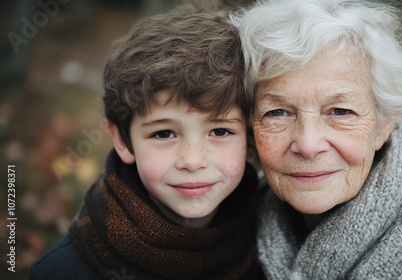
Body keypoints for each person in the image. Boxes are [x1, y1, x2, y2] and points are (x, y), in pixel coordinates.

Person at [231, 0, 402, 278]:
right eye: (277, 113)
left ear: (384, 124)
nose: (308, 145)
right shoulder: (235, 228)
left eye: (340, 111)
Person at [30, 3, 265, 279]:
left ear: (250, 136)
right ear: (122, 140)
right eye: (163, 133)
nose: (192, 161)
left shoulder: (275, 245)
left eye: (220, 131)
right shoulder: (61, 271)